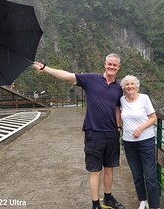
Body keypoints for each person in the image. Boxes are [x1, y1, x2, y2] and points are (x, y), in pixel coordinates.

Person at [33, 53, 124, 209]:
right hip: (93, 132)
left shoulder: (119, 88)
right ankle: (95, 204)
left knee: (109, 168)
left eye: (115, 65)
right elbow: (67, 75)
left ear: (118, 67)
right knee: (95, 169)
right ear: (105, 64)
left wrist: (119, 127)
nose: (111, 67)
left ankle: (108, 198)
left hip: (111, 133)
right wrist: (46, 69)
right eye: (109, 64)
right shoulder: (91, 79)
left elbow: (117, 108)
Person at [119, 75, 160, 209]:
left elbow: (153, 118)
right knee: (136, 174)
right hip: (129, 142)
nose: (130, 86)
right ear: (124, 87)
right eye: (127, 84)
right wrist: (118, 128)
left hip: (146, 141)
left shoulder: (144, 98)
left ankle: (154, 205)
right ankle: (143, 200)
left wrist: (140, 128)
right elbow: (117, 114)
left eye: (132, 84)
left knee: (150, 175)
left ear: (137, 86)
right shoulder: (121, 100)